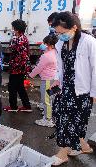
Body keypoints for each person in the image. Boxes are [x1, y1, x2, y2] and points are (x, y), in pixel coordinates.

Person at [49, 12, 95, 166]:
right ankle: (84, 146)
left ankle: (63, 153)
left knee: (70, 122)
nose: (59, 35)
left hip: (82, 91)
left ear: (74, 27)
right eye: (56, 32)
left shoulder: (88, 42)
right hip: (65, 88)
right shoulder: (61, 43)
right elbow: (60, 65)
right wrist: (57, 79)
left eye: (62, 32)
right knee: (66, 120)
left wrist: (94, 93)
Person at [29, 35, 58, 127]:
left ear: (51, 45)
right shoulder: (56, 53)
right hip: (55, 79)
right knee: (52, 100)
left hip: (47, 80)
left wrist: (30, 75)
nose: (43, 45)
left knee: (46, 101)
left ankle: (48, 120)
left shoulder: (46, 56)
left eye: (45, 43)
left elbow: (38, 68)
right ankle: (51, 117)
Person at [3, 19, 32, 112]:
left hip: (17, 67)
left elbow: (12, 49)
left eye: (13, 28)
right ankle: (27, 106)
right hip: (22, 66)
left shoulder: (17, 39)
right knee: (20, 87)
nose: (12, 30)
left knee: (12, 87)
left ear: (16, 29)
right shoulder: (24, 38)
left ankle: (13, 106)